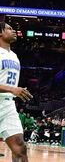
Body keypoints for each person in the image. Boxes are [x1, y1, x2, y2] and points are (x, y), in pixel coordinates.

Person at [0, 22, 33, 162]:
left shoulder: (14, 55)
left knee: (20, 148)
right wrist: (12, 89)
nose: (13, 31)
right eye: (9, 28)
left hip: (8, 105)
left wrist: (13, 90)